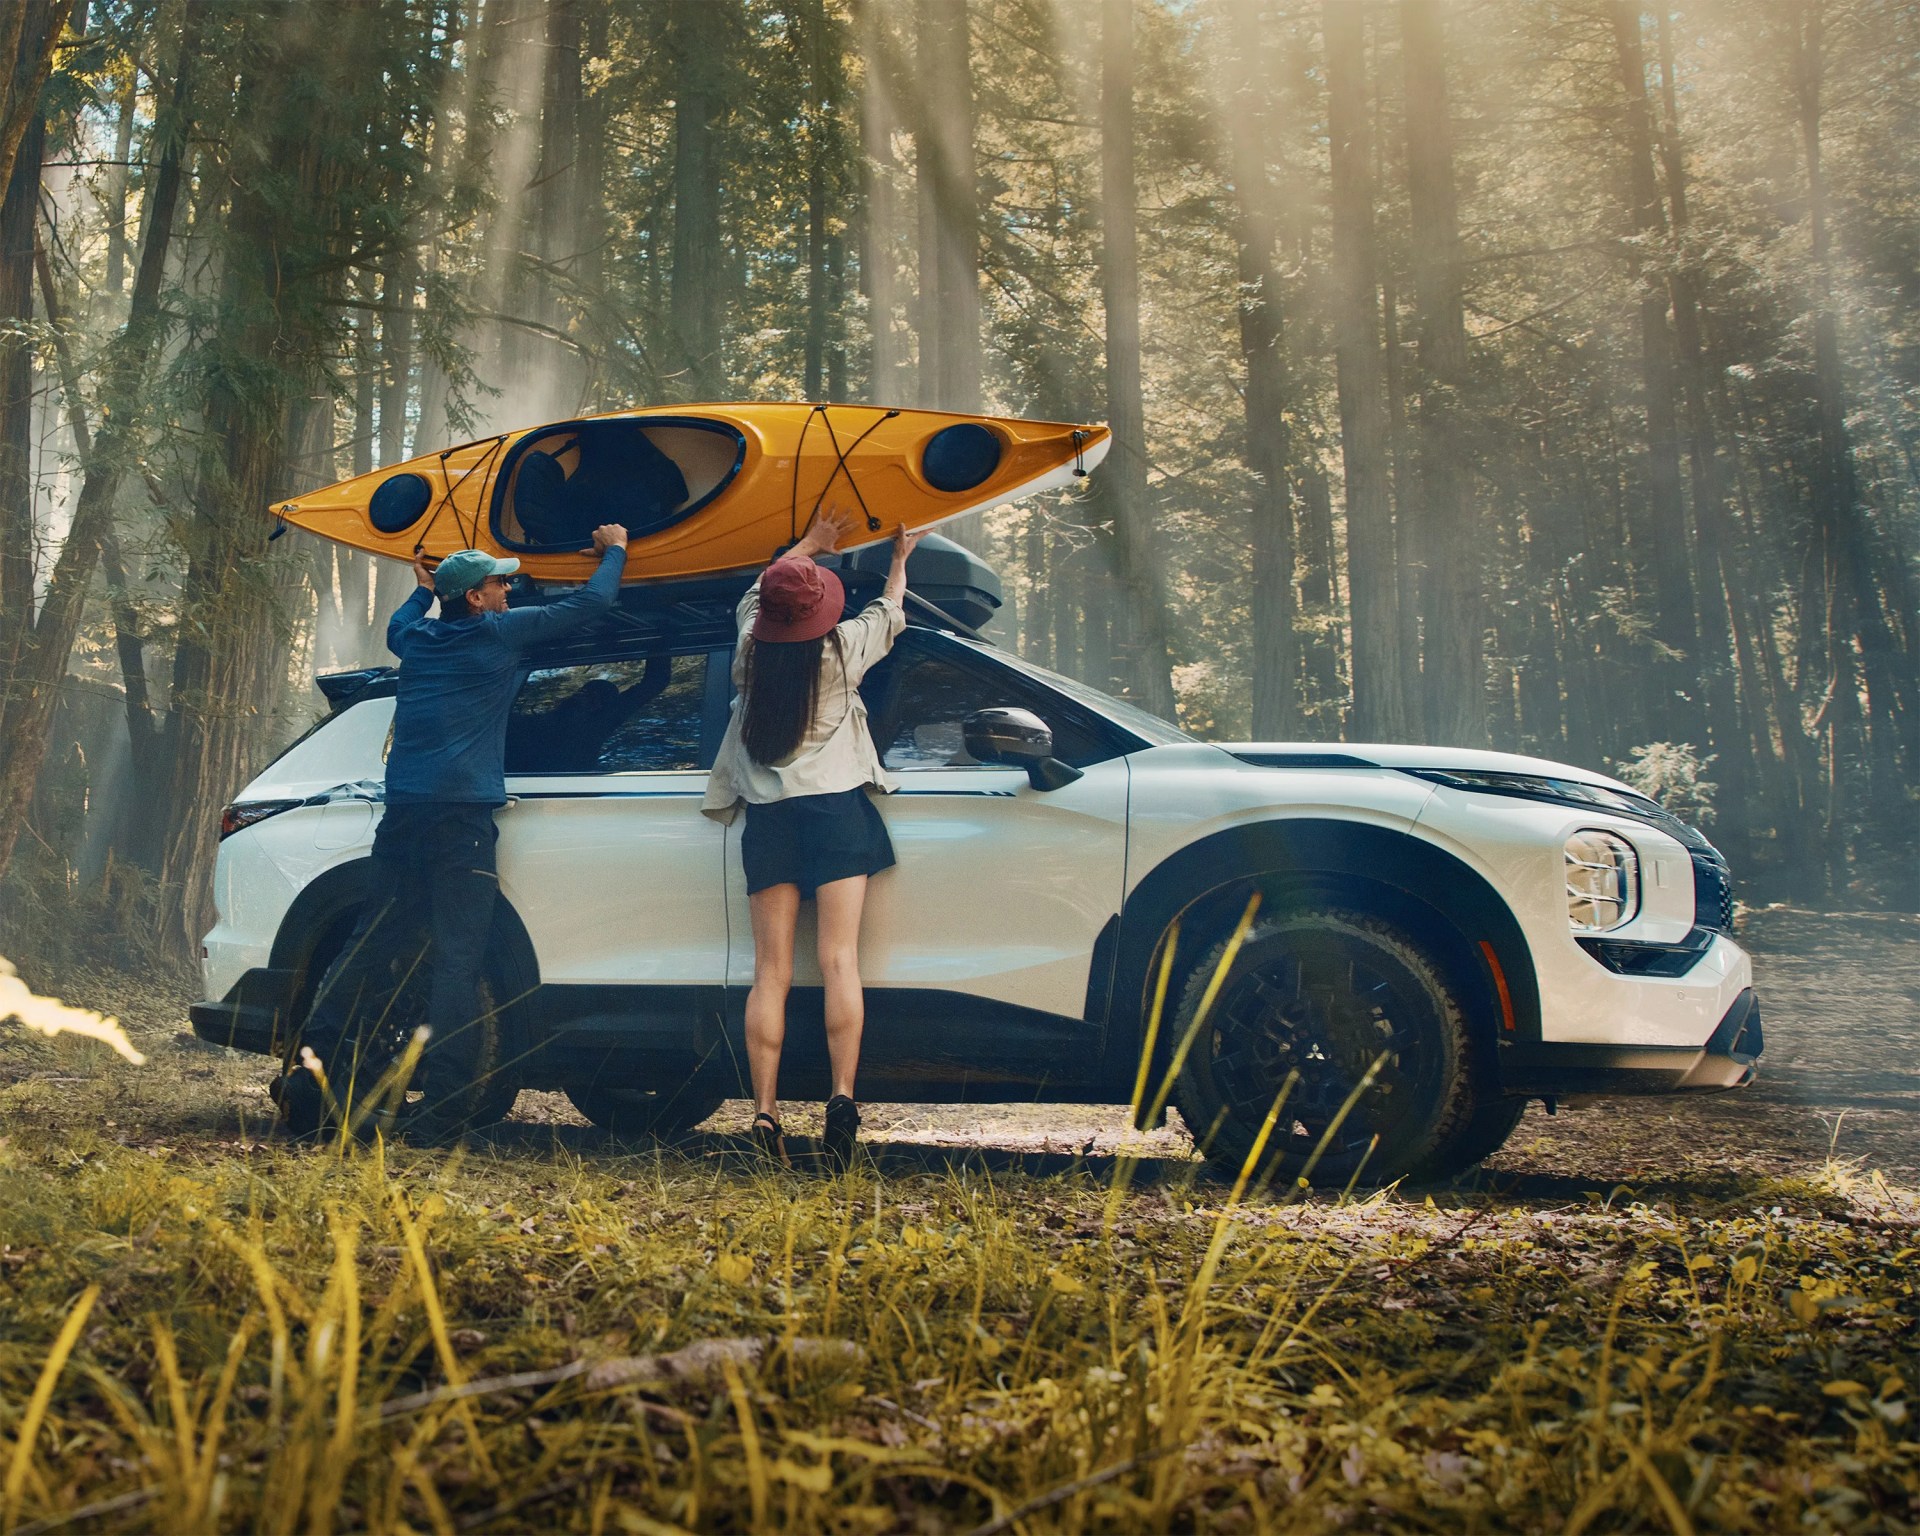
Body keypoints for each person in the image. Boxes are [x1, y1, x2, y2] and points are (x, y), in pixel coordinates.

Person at [280, 525, 630, 1138]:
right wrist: (616, 550)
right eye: (499, 583)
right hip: (460, 821)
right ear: (475, 598)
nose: (508, 588)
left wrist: (421, 591)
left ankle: (307, 1083)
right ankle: (443, 1111)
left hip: (405, 815)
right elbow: (592, 605)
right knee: (457, 960)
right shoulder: (497, 636)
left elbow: (398, 626)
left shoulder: (418, 640)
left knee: (368, 947)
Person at [703, 509, 923, 1169]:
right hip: (835, 814)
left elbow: (753, 595)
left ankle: (764, 1112)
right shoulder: (842, 651)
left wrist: (808, 545)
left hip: (769, 820)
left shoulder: (748, 651)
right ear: (820, 612)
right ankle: (841, 1099)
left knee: (769, 972)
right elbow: (890, 610)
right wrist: (900, 557)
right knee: (838, 963)